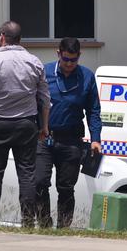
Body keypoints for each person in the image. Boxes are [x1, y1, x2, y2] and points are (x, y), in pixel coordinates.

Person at [0, 21, 50, 228]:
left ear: (2, 37)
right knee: (27, 173)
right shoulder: (34, 61)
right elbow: (44, 98)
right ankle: (27, 222)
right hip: (26, 123)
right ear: (20, 39)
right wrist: (44, 127)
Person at [35, 37, 102, 228]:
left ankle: (63, 227)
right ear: (58, 54)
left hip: (72, 141)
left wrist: (96, 139)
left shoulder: (87, 77)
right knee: (39, 182)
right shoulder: (44, 72)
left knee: (65, 187)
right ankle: (44, 224)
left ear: (79, 56)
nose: (69, 64)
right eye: (66, 59)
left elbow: (94, 111)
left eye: (74, 60)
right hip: (45, 138)